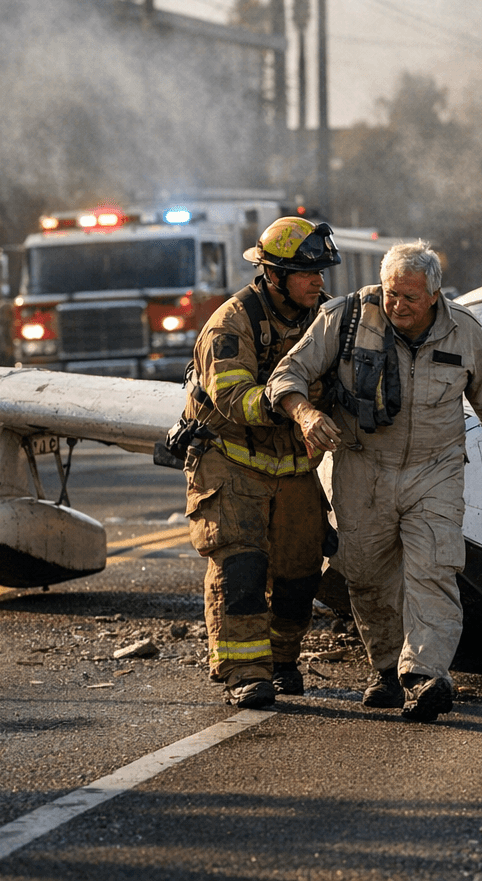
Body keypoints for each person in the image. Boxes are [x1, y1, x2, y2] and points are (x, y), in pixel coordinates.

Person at [268, 240, 482, 723]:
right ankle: (387, 669)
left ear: (435, 295)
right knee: (366, 574)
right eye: (391, 294)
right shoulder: (346, 318)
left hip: (436, 470)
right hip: (363, 466)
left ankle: (426, 674)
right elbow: (288, 375)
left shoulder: (463, 331)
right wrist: (304, 414)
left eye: (410, 297)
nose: (397, 306)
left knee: (434, 568)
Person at [183, 216, 340, 710]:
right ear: (273, 275)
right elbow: (233, 398)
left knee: (300, 568)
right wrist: (293, 402)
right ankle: (243, 672)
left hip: (291, 463)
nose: (318, 281)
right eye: (305, 272)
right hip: (230, 460)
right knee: (242, 567)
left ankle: (281, 659)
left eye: (321, 272)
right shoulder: (230, 324)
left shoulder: (320, 317)